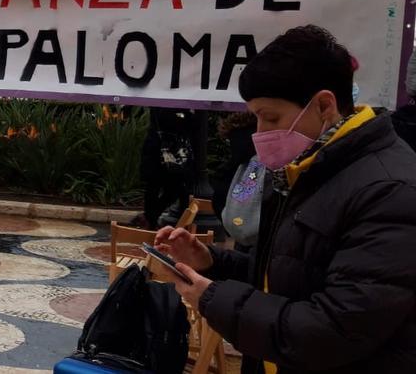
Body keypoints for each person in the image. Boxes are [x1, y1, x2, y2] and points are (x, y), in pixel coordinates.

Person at [155, 25, 416, 374]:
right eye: (256, 117)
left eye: (271, 117)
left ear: (324, 105)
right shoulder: (310, 168)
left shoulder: (389, 189)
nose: (260, 134)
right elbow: (290, 272)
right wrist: (211, 261)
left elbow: (333, 329)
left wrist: (212, 298)